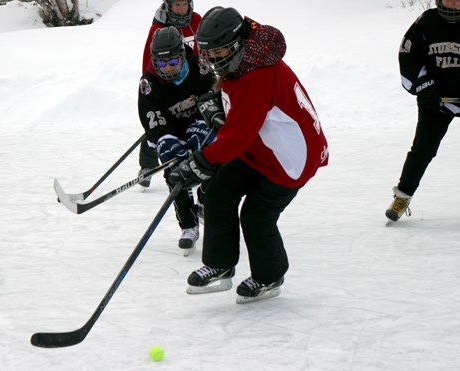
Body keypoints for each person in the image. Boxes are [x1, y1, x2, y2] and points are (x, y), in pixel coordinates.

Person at [168, 7, 329, 303]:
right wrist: (215, 103)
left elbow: (237, 135)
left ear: (238, 42)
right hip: (259, 148)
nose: (215, 60)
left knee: (256, 216)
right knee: (218, 192)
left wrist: (200, 162)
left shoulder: (259, 75)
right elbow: (236, 108)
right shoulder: (244, 60)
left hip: (289, 160)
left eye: (220, 53)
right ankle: (220, 264)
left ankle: (270, 277)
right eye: (209, 54)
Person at [385, 0, 460, 222]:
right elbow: (408, 56)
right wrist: (424, 86)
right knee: (423, 149)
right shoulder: (426, 22)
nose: (453, 4)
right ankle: (402, 196)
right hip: (436, 101)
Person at [138, 26, 214, 254]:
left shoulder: (198, 67)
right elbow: (152, 121)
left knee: (213, 155)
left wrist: (203, 123)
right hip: (171, 129)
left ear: (182, 55)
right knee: (175, 170)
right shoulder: (149, 84)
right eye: (161, 64)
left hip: (197, 122)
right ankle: (189, 225)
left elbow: (213, 97)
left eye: (172, 61)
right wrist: (167, 140)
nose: (167, 68)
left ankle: (204, 200)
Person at [138, 0, 202, 188]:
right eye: (177, 5)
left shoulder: (197, 20)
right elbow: (148, 62)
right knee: (156, 130)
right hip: (164, 85)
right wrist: (153, 93)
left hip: (189, 79)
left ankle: (192, 163)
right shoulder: (159, 28)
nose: (181, 9)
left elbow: (200, 49)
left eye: (184, 4)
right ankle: (147, 167)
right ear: (168, 6)